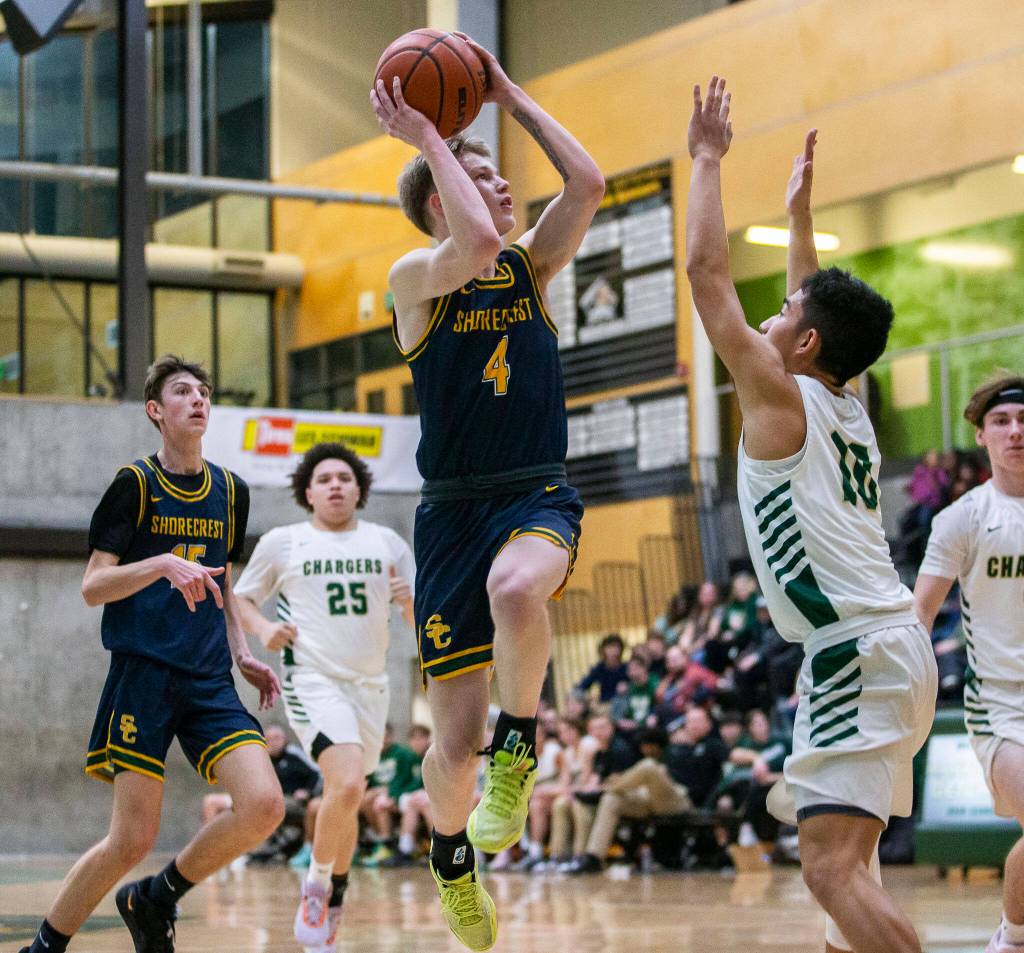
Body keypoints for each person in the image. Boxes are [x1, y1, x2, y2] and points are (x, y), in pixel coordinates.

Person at [685, 78, 936, 953]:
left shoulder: (782, 400)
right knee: (851, 873)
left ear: (804, 346)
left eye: (787, 313)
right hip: (890, 649)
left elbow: (705, 276)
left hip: (853, 655)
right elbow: (813, 300)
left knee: (828, 870)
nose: (776, 310)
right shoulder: (843, 401)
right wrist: (798, 217)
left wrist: (708, 157)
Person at [371, 31, 604, 953]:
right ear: (437, 198)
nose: (509, 193)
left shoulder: (533, 270)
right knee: (448, 748)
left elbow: (586, 183)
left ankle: (523, 741)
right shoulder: (414, 280)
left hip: (533, 488)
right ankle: (452, 856)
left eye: (504, 183)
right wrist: (434, 139)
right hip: (450, 511)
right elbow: (469, 236)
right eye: (486, 180)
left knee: (519, 590)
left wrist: (505, 94)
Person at [20, 355, 283, 953]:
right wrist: (162, 563)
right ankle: (43, 947)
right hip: (144, 673)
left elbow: (222, 584)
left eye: (204, 392)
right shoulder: (133, 486)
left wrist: (241, 650)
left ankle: (156, 896)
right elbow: (93, 586)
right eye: (183, 392)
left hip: (210, 678)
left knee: (265, 805)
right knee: (131, 838)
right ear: (155, 411)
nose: (198, 400)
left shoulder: (230, 492)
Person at [234, 442, 414, 952]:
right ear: (307, 492)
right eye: (324, 479)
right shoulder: (284, 542)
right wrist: (264, 629)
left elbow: (419, 619)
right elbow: (243, 598)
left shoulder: (388, 543)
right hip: (312, 679)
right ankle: (316, 885)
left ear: (359, 489)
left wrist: (409, 603)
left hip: (370, 686)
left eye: (344, 478)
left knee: (348, 796)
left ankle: (336, 893)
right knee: (349, 781)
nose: (335, 485)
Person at [913, 375, 1024, 953]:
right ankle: (1012, 939)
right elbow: (921, 614)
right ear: (981, 435)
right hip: (1001, 704)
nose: (1016, 431)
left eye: (1023, 420)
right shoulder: (962, 518)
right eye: (1002, 422)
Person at [575, 633, 628, 703]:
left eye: (616, 647)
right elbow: (582, 686)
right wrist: (587, 698)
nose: (613, 651)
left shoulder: (627, 668)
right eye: (609, 647)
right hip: (604, 705)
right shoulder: (599, 668)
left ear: (621, 650)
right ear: (603, 650)